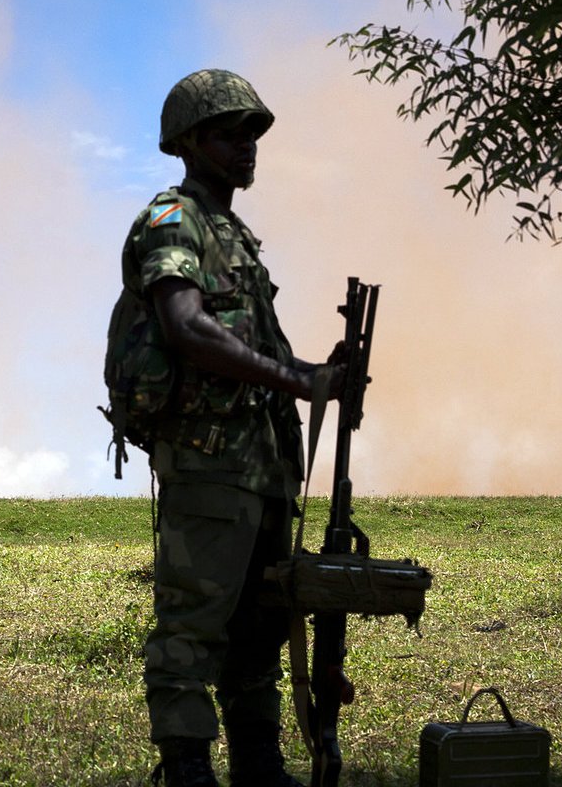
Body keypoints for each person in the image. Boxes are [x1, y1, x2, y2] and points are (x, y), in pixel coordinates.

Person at [109, 68, 349, 787]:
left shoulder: (233, 234)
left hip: (264, 466)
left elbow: (256, 353)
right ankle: (186, 771)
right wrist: (298, 381)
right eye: (228, 132)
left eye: (253, 133)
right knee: (192, 627)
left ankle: (260, 765)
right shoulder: (172, 220)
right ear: (188, 142)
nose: (246, 146)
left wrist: (317, 372)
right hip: (210, 464)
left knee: (261, 632)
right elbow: (187, 329)